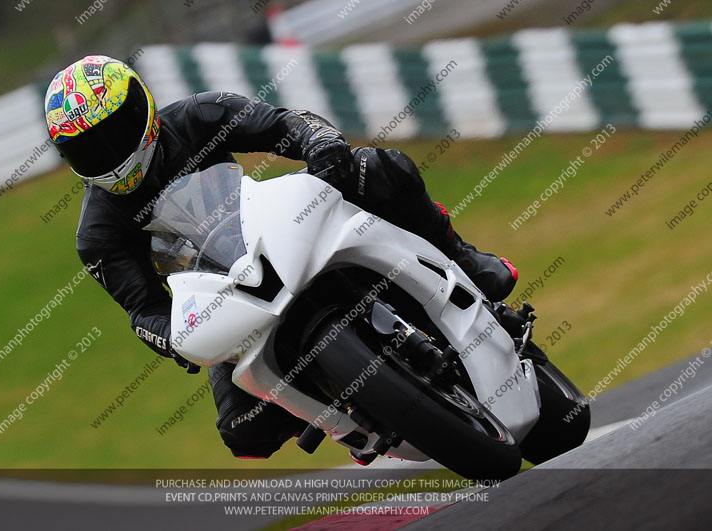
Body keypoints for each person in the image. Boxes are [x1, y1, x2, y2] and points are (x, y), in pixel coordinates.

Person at [44, 55, 518, 459]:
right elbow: (142, 309)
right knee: (242, 430)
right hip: (222, 298)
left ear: (142, 105)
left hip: (275, 229)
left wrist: (322, 144)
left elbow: (287, 123)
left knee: (378, 168)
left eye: (116, 131)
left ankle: (463, 258)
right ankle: (341, 407)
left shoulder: (198, 115)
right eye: (89, 148)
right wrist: (172, 338)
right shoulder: (97, 234)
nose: (109, 151)